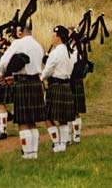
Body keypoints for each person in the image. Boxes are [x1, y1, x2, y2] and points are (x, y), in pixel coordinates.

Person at [0, 21, 45, 159]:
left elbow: (3, 63)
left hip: (22, 83)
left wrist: (2, 72)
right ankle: (34, 153)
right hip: (36, 82)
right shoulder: (38, 45)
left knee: (23, 121)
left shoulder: (18, 43)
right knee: (32, 121)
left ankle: (27, 153)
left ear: (20, 31)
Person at [41, 25, 75, 153]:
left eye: (53, 36)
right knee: (63, 119)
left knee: (47, 116)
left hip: (55, 86)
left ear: (58, 38)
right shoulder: (69, 51)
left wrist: (41, 77)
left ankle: (56, 143)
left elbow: (48, 69)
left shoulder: (56, 52)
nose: (52, 38)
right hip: (66, 85)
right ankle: (63, 144)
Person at [68, 27, 86, 144]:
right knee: (71, 110)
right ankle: (72, 136)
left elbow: (70, 65)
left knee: (74, 111)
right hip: (75, 81)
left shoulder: (75, 50)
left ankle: (76, 136)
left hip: (73, 80)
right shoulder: (77, 48)